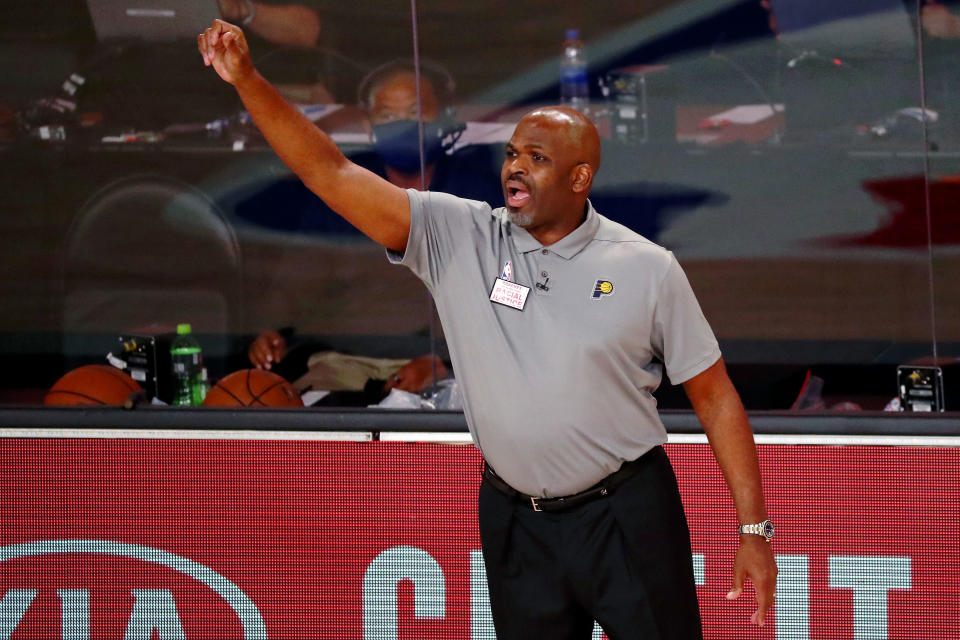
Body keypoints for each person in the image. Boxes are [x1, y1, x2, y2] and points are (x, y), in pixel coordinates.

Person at [198, 18, 778, 637]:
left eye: (537, 158)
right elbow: (331, 173)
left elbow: (715, 399)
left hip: (626, 513)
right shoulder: (461, 236)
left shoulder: (647, 268)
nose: (515, 169)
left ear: (580, 178)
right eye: (510, 154)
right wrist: (249, 81)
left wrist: (753, 531)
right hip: (515, 519)